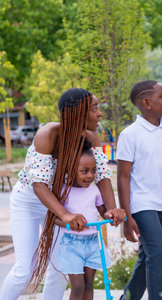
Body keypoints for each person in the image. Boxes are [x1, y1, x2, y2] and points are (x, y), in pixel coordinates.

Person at [0, 88, 125, 300]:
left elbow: (102, 176)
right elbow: (39, 185)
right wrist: (65, 215)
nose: (99, 114)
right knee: (24, 271)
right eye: (93, 109)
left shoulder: (92, 137)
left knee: (59, 271)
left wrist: (111, 209)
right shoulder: (48, 134)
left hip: (62, 204)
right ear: (75, 113)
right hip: (29, 202)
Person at [117, 80, 162, 300]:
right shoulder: (130, 135)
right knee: (158, 254)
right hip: (140, 204)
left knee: (146, 256)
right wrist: (127, 216)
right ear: (147, 102)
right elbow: (123, 177)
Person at [54, 139, 122, 300]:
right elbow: (55, 218)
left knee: (89, 283)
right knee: (78, 286)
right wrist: (68, 222)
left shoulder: (94, 191)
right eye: (84, 171)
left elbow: (104, 212)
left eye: (93, 171)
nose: (90, 175)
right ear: (70, 170)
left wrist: (111, 215)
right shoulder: (64, 192)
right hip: (72, 243)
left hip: (92, 242)